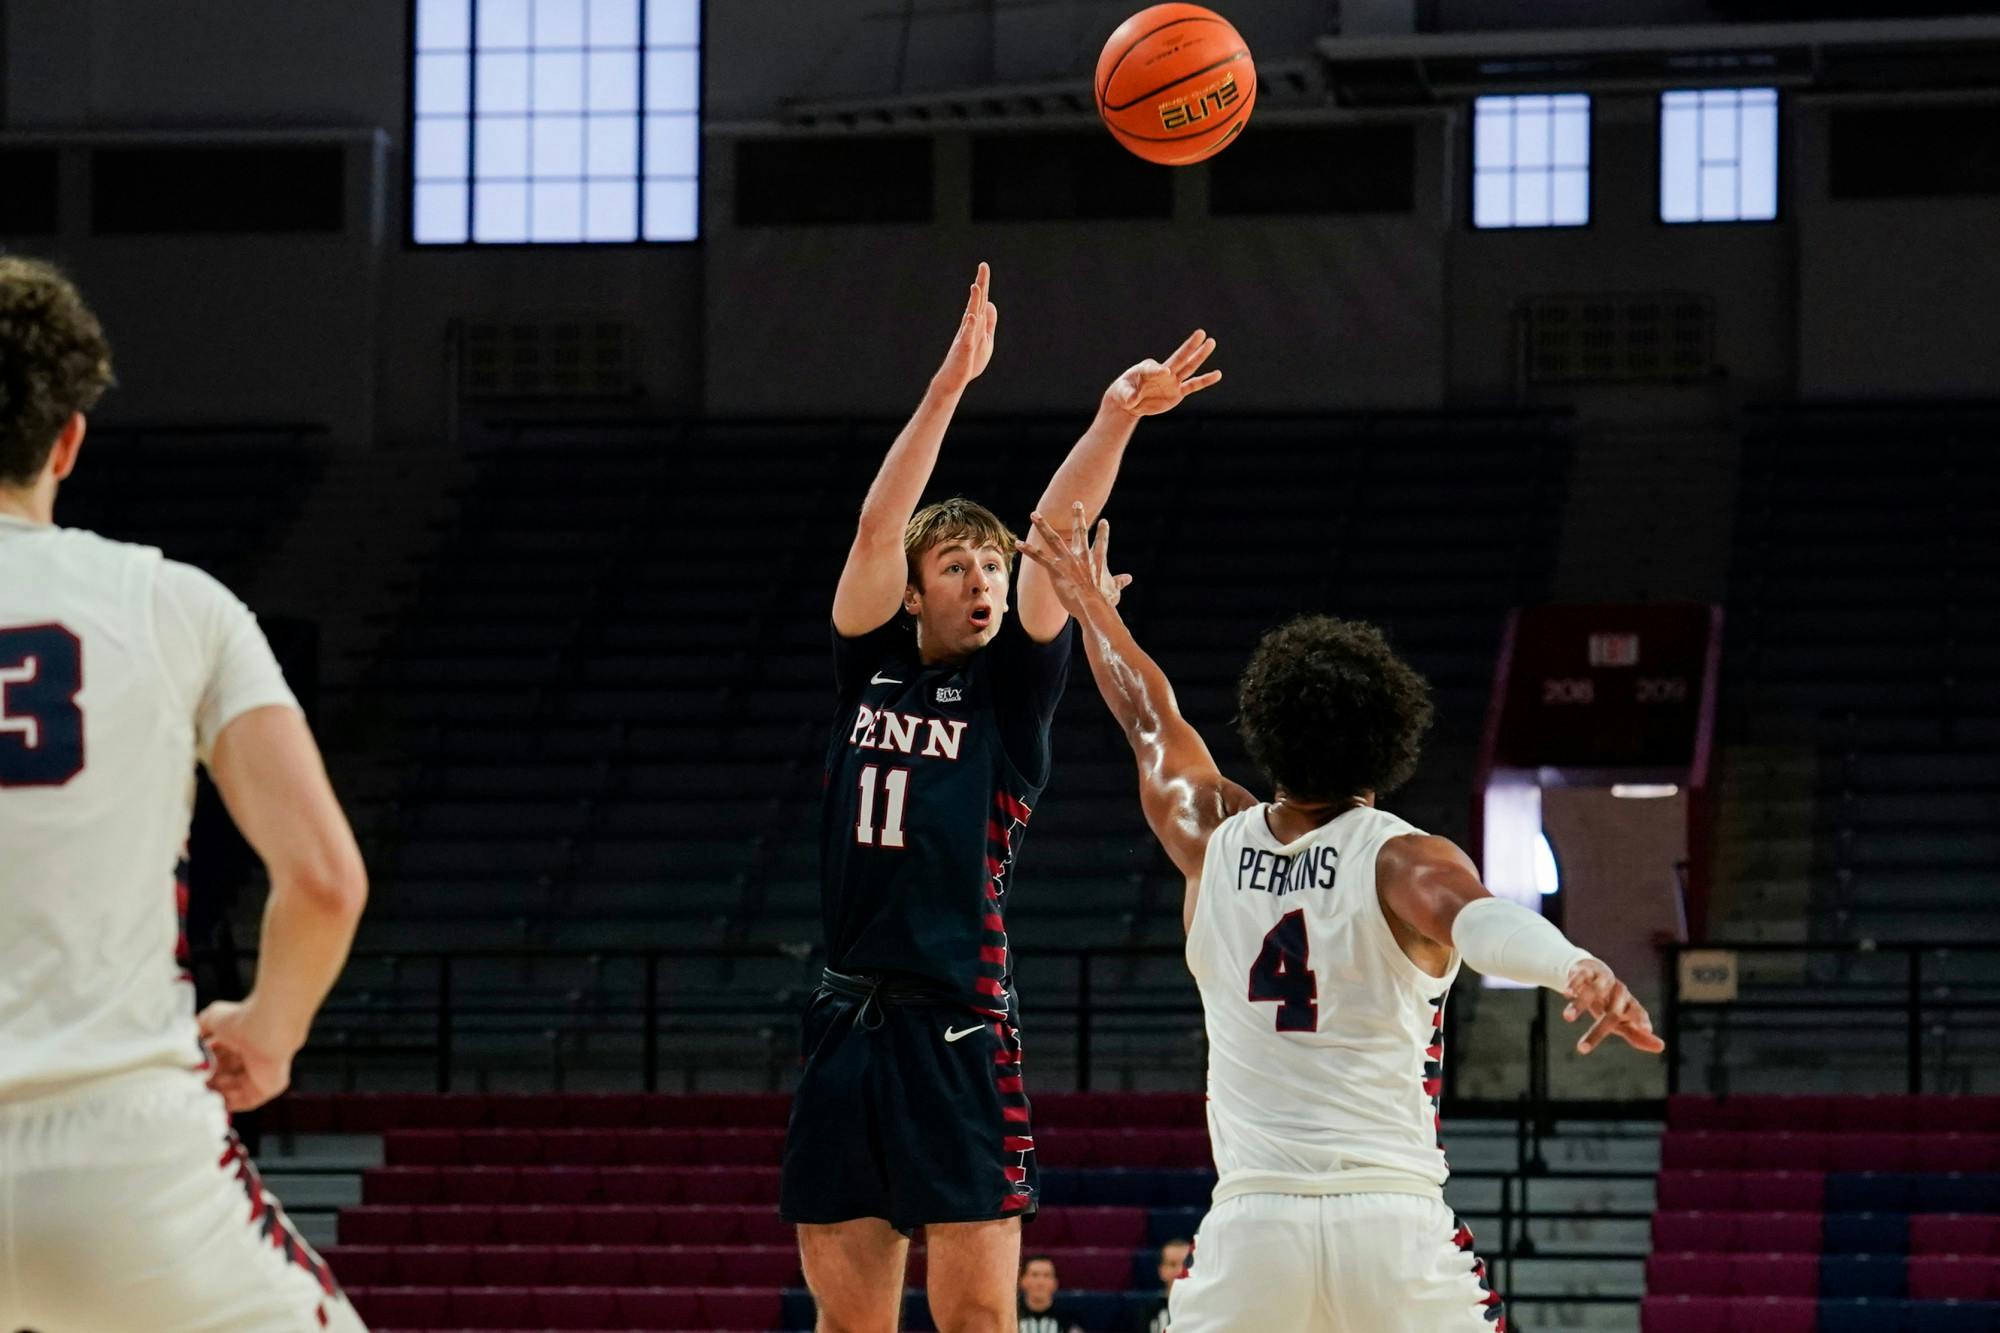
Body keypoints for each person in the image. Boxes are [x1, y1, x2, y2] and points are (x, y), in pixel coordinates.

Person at [1016, 507, 1665, 1333]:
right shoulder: (1400, 858)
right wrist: (1574, 965)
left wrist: (1091, 609)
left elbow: (1150, 718)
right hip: (1390, 1226)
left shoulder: (1208, 835)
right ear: (1389, 739)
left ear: (1266, 729)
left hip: (1252, 1230)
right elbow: (1482, 921)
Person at [778, 263, 1220, 1333]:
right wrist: (948, 387)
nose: (981, 580)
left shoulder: (1011, 691)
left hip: (958, 1027)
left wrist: (1115, 417)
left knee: (978, 1319)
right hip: (846, 1019)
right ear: (915, 591)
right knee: (847, 1323)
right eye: (957, 566)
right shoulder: (865, 668)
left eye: (989, 565)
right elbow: (876, 528)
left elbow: (1055, 534)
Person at [0, 255, 369, 1333]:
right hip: (126, 1160)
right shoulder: (172, 602)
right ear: (68, 439)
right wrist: (269, 1028)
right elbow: (324, 880)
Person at [1128, 1238, 1193, 1333]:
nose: (1179, 1271)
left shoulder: (1204, 1308)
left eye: (1185, 1265)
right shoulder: (1147, 1311)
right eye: (1172, 1264)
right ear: (1162, 1270)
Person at [1017, 1254, 1085, 1333]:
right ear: (1022, 1281)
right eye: (1035, 1275)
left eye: (1046, 1275)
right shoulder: (1011, 1315)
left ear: (1055, 1283)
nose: (1040, 1282)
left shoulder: (1068, 1319)